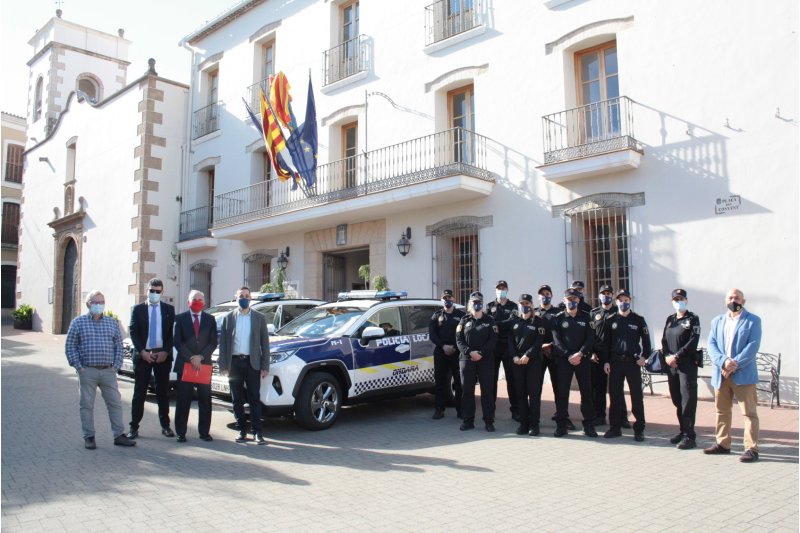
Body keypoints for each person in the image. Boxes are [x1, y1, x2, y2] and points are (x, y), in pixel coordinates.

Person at [65, 290, 136, 449]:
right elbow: (70, 346)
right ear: (88, 304)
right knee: (86, 405)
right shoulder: (78, 322)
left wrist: (116, 366)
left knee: (115, 403)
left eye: (101, 302)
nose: (99, 305)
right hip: (87, 371)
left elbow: (119, 346)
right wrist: (78, 366)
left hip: (108, 371)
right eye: (96, 302)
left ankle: (119, 435)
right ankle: (89, 436)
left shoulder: (111, 322)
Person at [704, 288, 762, 462]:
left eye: (737, 297)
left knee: (749, 413)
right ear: (725, 300)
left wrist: (733, 364)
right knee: (721, 411)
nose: (733, 300)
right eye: (730, 297)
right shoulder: (717, 321)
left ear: (743, 301)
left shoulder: (752, 320)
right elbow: (711, 345)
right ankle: (723, 444)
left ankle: (751, 448)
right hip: (721, 374)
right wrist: (723, 362)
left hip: (742, 374)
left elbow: (753, 346)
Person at [218, 287, 271, 445]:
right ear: (236, 298)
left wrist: (265, 365)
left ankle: (257, 432)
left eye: (247, 296)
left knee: (254, 398)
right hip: (234, 363)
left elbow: (265, 344)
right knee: (237, 399)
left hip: (252, 362)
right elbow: (224, 344)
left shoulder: (259, 318)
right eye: (242, 296)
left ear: (251, 299)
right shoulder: (228, 318)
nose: (244, 298)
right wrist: (223, 365)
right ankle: (241, 430)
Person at [126, 278, 176, 439]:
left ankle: (166, 426)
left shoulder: (169, 309)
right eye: (151, 291)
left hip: (162, 357)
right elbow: (133, 331)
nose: (154, 294)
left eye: (157, 291)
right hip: (144, 356)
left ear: (162, 292)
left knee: (163, 392)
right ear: (146, 290)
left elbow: (170, 334)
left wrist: (166, 351)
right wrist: (142, 352)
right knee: (139, 393)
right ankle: (134, 427)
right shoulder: (137, 309)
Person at [603, 289, 650, 441]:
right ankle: (615, 428)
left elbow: (647, 342)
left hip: (632, 363)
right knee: (615, 397)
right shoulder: (610, 320)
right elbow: (606, 344)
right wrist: (606, 361)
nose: (623, 303)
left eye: (626, 300)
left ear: (630, 301)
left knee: (637, 397)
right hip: (615, 363)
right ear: (616, 302)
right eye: (620, 300)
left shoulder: (638, 320)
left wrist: (644, 357)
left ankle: (639, 429)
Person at [173, 289, 218, 443]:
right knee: (183, 400)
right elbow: (177, 341)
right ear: (188, 302)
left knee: (205, 400)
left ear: (204, 303)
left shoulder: (210, 319)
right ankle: (181, 432)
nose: (197, 302)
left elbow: (213, 342)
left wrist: (201, 356)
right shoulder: (180, 319)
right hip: (186, 364)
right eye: (194, 299)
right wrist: (191, 357)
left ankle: (204, 432)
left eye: (200, 299)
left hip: (204, 365)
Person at [552, 289, 597, 438]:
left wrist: (581, 353)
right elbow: (556, 341)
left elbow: (590, 338)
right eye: (569, 299)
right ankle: (561, 425)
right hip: (565, 361)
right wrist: (568, 355)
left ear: (578, 301)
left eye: (574, 299)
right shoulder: (558, 318)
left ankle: (589, 425)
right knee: (562, 394)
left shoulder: (586, 317)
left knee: (586, 394)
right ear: (564, 301)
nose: (572, 301)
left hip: (582, 360)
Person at [661, 289, 701, 450]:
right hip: (671, 366)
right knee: (677, 400)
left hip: (686, 366)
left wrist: (676, 356)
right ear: (672, 301)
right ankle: (682, 430)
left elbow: (693, 341)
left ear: (686, 300)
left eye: (681, 298)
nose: (679, 301)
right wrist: (666, 357)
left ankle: (689, 436)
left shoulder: (693, 319)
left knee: (688, 401)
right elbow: (664, 340)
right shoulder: (670, 319)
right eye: (676, 299)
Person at [456, 291, 498, 432]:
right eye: (474, 302)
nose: (477, 304)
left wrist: (481, 353)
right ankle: (468, 420)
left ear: (483, 303)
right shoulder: (464, 320)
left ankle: (489, 421)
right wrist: (469, 352)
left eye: (479, 301)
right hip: (467, 360)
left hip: (485, 360)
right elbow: (459, 340)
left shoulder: (490, 320)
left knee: (487, 391)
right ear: (470, 303)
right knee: (467, 391)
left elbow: (493, 340)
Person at [589, 284, 629, 428]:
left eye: (609, 293)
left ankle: (622, 417)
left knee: (617, 388)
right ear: (599, 296)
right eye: (603, 293)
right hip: (597, 355)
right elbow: (590, 335)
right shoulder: (593, 313)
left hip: (613, 355)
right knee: (598, 388)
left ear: (613, 296)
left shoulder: (618, 312)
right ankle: (599, 416)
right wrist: (591, 353)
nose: (606, 296)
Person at [536, 284, 574, 430]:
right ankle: (534, 417)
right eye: (542, 294)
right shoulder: (535, 313)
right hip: (538, 354)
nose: (545, 296)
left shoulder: (559, 313)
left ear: (551, 295)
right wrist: (541, 347)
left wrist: (550, 345)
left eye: (547, 293)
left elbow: (562, 334)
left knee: (560, 388)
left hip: (555, 354)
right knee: (536, 387)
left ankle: (563, 416)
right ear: (538, 297)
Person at [508, 293, 546, 436]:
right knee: (521, 394)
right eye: (522, 304)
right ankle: (524, 423)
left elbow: (539, 342)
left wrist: (527, 355)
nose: (525, 306)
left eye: (527, 304)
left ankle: (534, 424)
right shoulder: (515, 322)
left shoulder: (538, 322)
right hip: (517, 362)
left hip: (533, 362)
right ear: (519, 305)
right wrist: (514, 356)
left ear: (531, 305)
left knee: (534, 394)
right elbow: (510, 341)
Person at [429, 289, 466, 420]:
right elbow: (432, 334)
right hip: (441, 351)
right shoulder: (436, 316)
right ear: (441, 300)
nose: (447, 299)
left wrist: (455, 347)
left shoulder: (461, 316)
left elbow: (464, 335)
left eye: (449, 297)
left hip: (457, 352)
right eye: (444, 297)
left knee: (459, 382)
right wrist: (443, 346)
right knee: (439, 382)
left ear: (454, 298)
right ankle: (439, 409)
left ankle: (461, 410)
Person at [486, 280, 519, 420]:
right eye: (498, 288)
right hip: (493, 347)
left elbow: (513, 322)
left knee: (511, 379)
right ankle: (490, 410)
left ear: (507, 289)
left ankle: (515, 410)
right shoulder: (490, 306)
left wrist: (497, 324)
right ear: (495, 290)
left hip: (508, 346)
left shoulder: (513, 306)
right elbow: (488, 323)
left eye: (503, 288)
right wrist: (499, 325)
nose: (501, 290)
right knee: (491, 380)